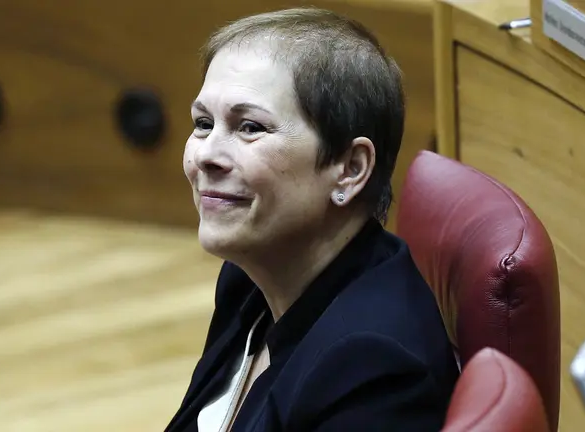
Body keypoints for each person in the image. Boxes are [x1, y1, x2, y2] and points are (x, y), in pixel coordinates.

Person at [165, 8, 459, 432]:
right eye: (203, 124)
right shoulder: (250, 278)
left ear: (350, 168)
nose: (207, 154)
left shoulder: (375, 368)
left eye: (249, 127)